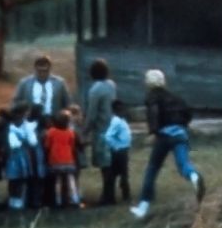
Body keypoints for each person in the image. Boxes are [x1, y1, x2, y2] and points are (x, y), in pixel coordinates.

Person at [129, 69, 204, 219]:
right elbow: (187, 113)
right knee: (183, 164)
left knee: (152, 168)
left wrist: (153, 132)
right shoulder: (175, 97)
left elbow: (153, 114)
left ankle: (143, 207)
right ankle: (194, 176)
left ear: (149, 83)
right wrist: (182, 125)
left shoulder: (152, 97)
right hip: (180, 134)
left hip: (164, 136)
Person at [83, 59, 117, 205]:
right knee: (112, 163)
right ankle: (111, 192)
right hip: (114, 128)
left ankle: (107, 195)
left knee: (105, 165)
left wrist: (85, 131)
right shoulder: (111, 85)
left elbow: (92, 114)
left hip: (102, 130)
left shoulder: (95, 90)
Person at [44, 110, 80, 207]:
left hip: (55, 160)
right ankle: (75, 199)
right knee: (70, 179)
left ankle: (58, 200)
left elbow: (47, 146)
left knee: (58, 181)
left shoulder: (51, 132)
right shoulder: (70, 132)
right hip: (68, 159)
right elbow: (72, 146)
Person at [5, 103, 33, 210]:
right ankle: (13, 199)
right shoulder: (11, 127)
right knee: (14, 178)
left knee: (22, 178)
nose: (28, 113)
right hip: (14, 156)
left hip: (23, 155)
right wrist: (23, 139)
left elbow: (31, 141)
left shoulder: (26, 125)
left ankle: (20, 199)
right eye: (27, 111)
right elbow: (13, 144)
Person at [105, 100, 132, 203]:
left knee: (121, 174)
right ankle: (125, 195)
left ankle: (121, 195)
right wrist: (116, 146)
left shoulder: (122, 120)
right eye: (121, 109)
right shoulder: (116, 121)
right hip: (119, 151)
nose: (123, 111)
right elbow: (108, 136)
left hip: (123, 150)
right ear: (115, 110)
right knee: (121, 174)